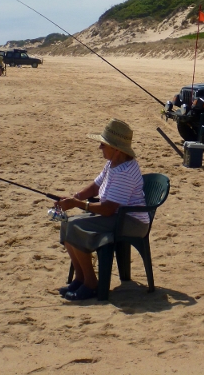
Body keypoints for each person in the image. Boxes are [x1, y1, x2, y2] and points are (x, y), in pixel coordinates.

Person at [54, 119, 149, 301]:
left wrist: (77, 203)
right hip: (117, 216)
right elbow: (96, 186)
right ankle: (80, 278)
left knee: (75, 226)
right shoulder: (113, 163)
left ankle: (91, 283)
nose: (99, 147)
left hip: (131, 222)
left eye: (103, 144)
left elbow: (108, 209)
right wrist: (75, 197)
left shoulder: (124, 172)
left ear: (116, 148)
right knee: (67, 223)